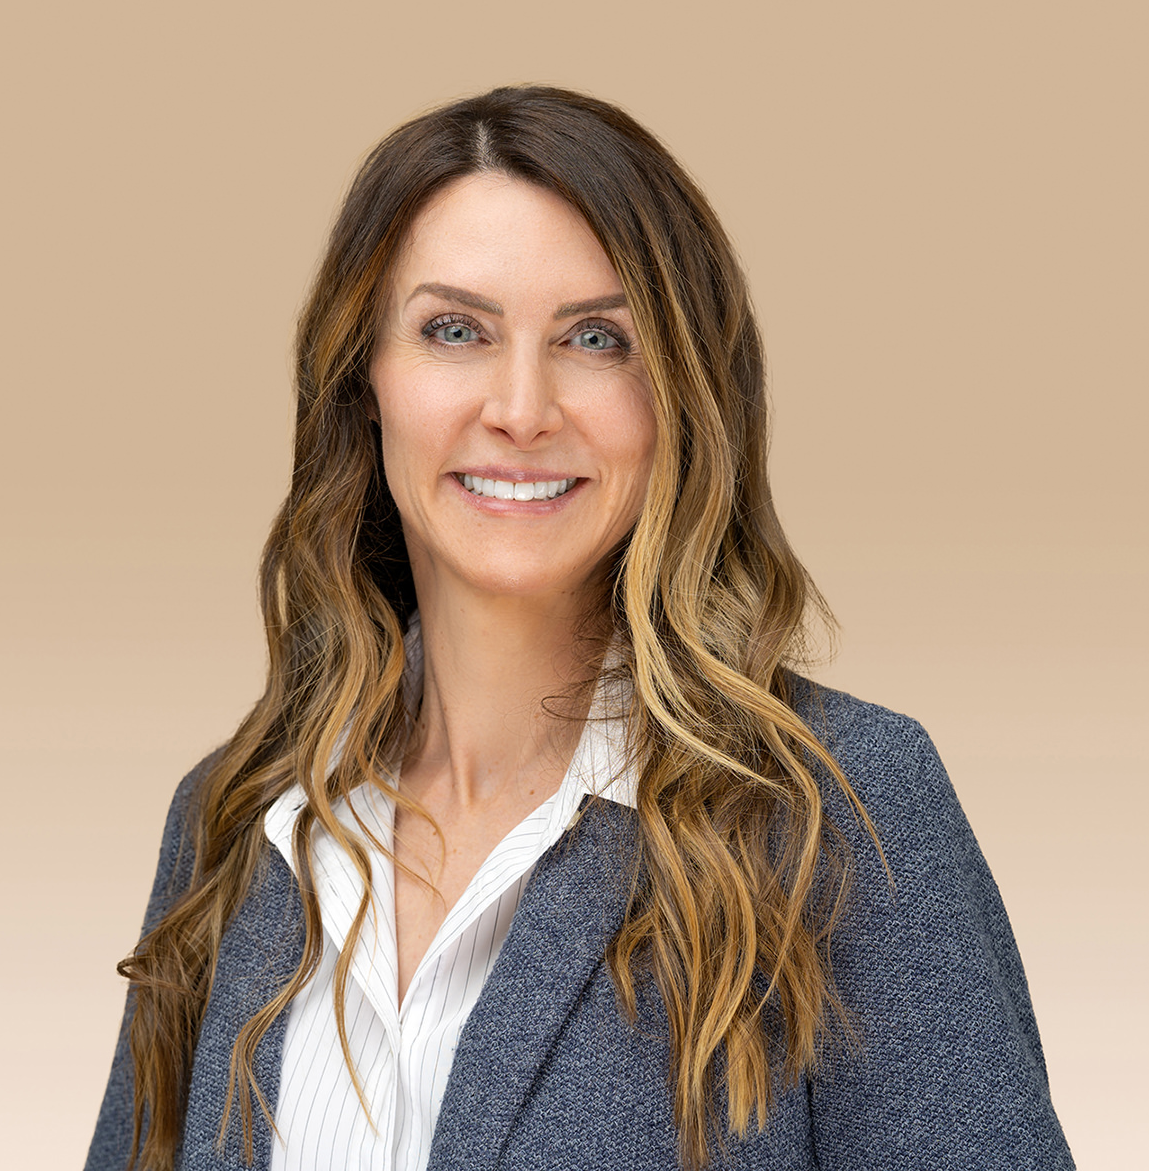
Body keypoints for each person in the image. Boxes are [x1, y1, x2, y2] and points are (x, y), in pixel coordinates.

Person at [86, 85, 1073, 1171]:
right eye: (455, 330)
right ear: (365, 380)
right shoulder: (239, 819)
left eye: (597, 339)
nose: (521, 407)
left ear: (680, 399)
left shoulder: (836, 815)